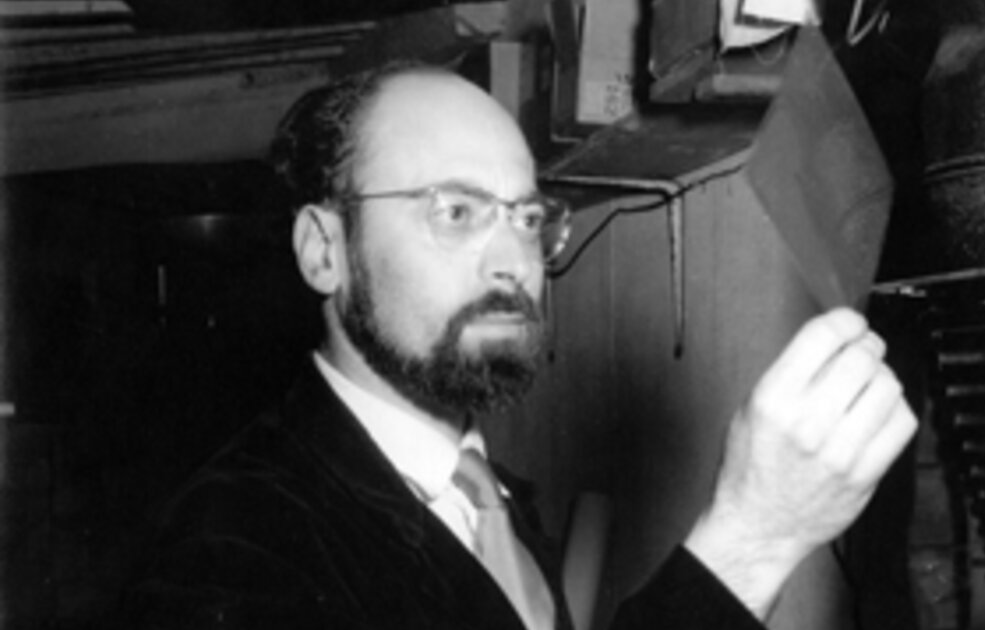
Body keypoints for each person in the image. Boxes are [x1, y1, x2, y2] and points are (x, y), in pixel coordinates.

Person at [121, 61, 917, 629]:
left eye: (528, 217)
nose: (515, 261)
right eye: (456, 213)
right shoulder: (232, 549)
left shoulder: (491, 497)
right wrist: (754, 538)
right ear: (325, 250)